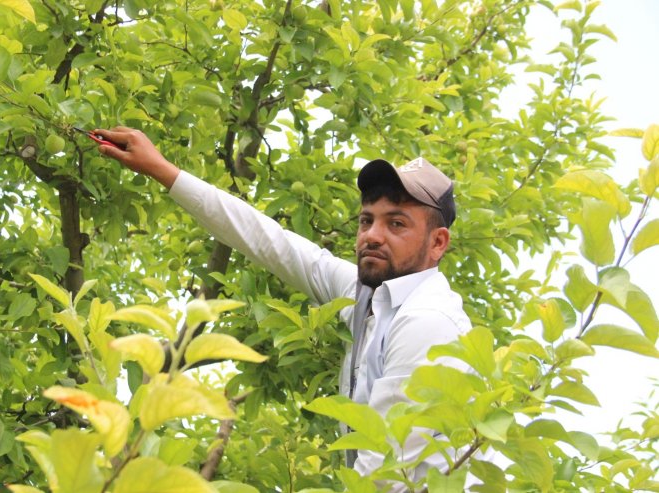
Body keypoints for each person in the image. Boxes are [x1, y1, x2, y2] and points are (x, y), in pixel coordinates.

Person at [95, 127, 472, 489]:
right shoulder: (367, 295)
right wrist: (161, 169)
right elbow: (270, 241)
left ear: (438, 243)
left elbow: (383, 474)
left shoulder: (426, 322)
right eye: (366, 220)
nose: (372, 235)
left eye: (396, 223)